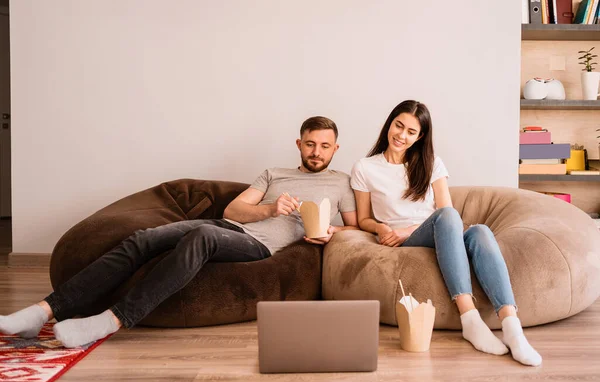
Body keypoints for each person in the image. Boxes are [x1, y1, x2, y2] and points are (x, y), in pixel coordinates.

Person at [0, 116, 357, 348]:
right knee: (144, 238)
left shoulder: (341, 183)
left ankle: (113, 320)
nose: (316, 152)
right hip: (229, 226)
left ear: (335, 149)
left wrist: (327, 232)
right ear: (299, 143)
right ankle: (44, 311)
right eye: (310, 144)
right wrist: (269, 208)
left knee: (199, 238)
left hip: (259, 246)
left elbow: (352, 229)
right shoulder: (273, 174)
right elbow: (233, 210)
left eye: (325, 146)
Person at [350, 100, 541, 366]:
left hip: (430, 231)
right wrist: (382, 227)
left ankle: (512, 327)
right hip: (409, 242)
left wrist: (407, 230)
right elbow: (363, 219)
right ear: (389, 124)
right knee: (449, 217)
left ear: (420, 137)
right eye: (398, 126)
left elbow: (445, 210)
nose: (401, 135)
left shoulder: (432, 164)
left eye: (411, 132)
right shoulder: (365, 167)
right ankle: (469, 318)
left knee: (481, 232)